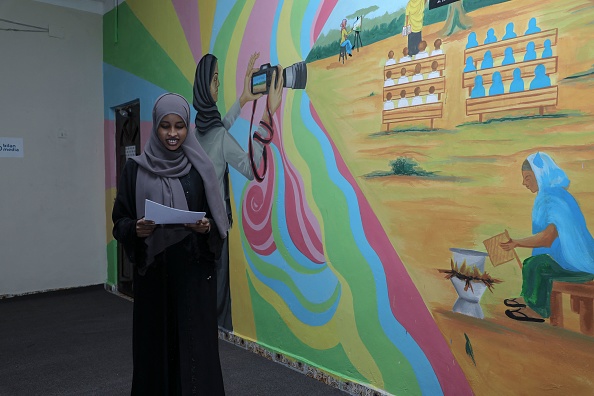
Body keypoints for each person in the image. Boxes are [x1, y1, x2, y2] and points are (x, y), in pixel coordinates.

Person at [112, 93, 230, 395]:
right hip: (154, 280)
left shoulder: (198, 169)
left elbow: (218, 222)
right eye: (165, 126)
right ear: (156, 126)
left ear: (187, 127)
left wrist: (205, 228)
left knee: (195, 351)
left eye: (179, 126)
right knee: (156, 350)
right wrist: (134, 229)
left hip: (192, 279)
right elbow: (119, 221)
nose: (173, 133)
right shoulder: (135, 169)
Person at [193, 53, 284, 333]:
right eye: (214, 80)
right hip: (216, 229)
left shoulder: (194, 133)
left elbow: (219, 129)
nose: (218, 86)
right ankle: (219, 337)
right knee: (218, 295)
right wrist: (268, 115)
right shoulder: (217, 137)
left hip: (195, 226)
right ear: (203, 87)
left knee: (201, 293)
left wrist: (244, 99)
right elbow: (248, 167)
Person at [500, 152, 594, 322]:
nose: (524, 183)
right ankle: (527, 298)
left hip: (579, 266)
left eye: (528, 177)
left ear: (540, 175)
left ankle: (537, 310)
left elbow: (547, 238)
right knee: (532, 263)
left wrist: (517, 243)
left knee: (538, 265)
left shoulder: (553, 200)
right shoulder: (551, 195)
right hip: (569, 261)